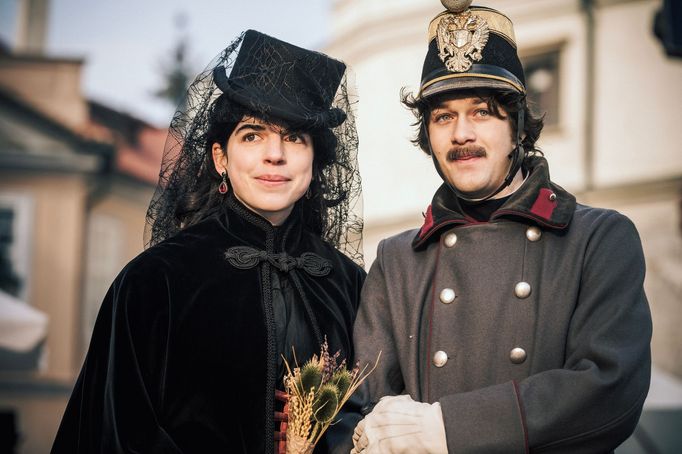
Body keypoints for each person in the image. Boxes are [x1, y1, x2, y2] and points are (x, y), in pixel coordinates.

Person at [346, 1, 652, 452]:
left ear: (518, 127)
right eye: (443, 116)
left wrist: (448, 428)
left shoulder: (600, 239)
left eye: (482, 112)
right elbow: (367, 409)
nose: (461, 134)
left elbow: (609, 387)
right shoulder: (395, 261)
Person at [51, 29, 365, 454]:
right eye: (252, 135)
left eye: (295, 137)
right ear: (221, 157)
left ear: (315, 162)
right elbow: (118, 432)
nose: (275, 154)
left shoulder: (350, 286)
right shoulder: (154, 282)